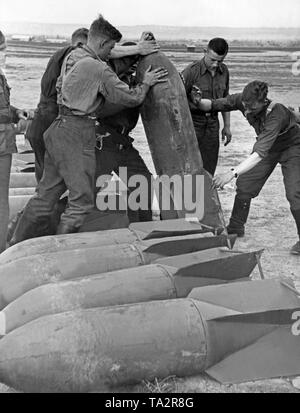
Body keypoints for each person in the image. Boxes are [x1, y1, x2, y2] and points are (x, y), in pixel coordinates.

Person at [9, 15, 167, 245]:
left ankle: (15, 242)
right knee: (81, 201)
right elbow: (131, 97)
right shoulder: (98, 69)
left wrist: (138, 46)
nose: (111, 53)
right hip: (76, 133)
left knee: (46, 196)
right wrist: (146, 83)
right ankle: (59, 247)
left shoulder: (74, 55)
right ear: (103, 44)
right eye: (111, 47)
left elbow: (106, 54)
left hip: (57, 129)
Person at [26, 28, 159, 182]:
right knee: (56, 184)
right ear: (85, 44)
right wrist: (139, 50)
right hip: (70, 131)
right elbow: (124, 100)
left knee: (51, 184)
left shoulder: (82, 66)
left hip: (112, 140)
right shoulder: (76, 57)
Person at [193, 80, 300, 255]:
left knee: (294, 193)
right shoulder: (243, 100)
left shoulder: (276, 112)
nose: (248, 111)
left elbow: (259, 153)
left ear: (263, 102)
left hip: (292, 147)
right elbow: (213, 104)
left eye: (253, 109)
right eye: (246, 107)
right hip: (269, 147)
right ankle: (236, 226)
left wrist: (232, 173)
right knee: (245, 184)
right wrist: (198, 101)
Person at [95, 43, 153, 223]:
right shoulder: (107, 79)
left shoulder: (134, 82)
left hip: (123, 143)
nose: (134, 65)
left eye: (137, 61)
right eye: (130, 60)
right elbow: (103, 109)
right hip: (102, 142)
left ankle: (142, 229)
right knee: (88, 191)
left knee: (143, 182)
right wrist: (143, 87)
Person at [181, 38, 232, 176]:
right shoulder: (191, 72)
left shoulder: (225, 71)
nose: (216, 64)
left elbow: (226, 100)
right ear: (205, 52)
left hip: (212, 125)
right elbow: (178, 100)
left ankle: (204, 196)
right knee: (189, 167)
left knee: (209, 168)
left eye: (220, 61)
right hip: (193, 125)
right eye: (212, 60)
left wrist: (226, 126)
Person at [0, 30, 28, 252]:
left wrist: (17, 112)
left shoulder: (1, 77)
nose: (4, 54)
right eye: (1, 49)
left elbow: (3, 107)